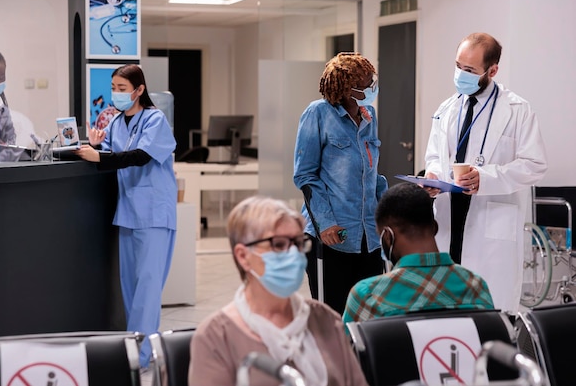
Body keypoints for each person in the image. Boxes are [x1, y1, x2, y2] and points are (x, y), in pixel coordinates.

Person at [424, 32, 547, 314]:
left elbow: (535, 164)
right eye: (458, 66)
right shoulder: (447, 109)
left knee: (490, 314)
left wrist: (486, 177)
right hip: (448, 219)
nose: (460, 75)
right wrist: (432, 176)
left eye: (469, 70)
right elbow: (434, 157)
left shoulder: (517, 110)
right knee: (447, 309)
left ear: (492, 71)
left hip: (490, 226)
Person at [188, 196, 368, 386]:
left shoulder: (324, 319)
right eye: (279, 245)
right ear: (243, 256)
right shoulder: (216, 338)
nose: (293, 254)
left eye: (298, 243)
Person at [76, 64, 177, 369]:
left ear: (139, 90)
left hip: (154, 213)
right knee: (130, 288)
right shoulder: (118, 123)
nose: (117, 94)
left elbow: (140, 156)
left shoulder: (155, 119)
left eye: (122, 89)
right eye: (114, 89)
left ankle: (142, 356)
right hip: (129, 213)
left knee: (147, 287)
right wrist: (95, 145)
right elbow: (107, 158)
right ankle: (134, 348)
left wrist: (101, 156)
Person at [293, 52, 387, 315]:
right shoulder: (318, 114)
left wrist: (388, 212)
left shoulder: (370, 116)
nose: (372, 87)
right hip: (332, 236)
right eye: (367, 84)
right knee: (332, 317)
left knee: (366, 316)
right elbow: (306, 176)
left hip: (369, 237)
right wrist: (325, 223)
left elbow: (372, 175)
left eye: (372, 81)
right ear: (348, 89)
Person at [342, 183, 494, 324]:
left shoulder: (368, 295)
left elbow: (345, 352)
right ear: (435, 228)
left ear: (387, 237)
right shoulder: (476, 286)